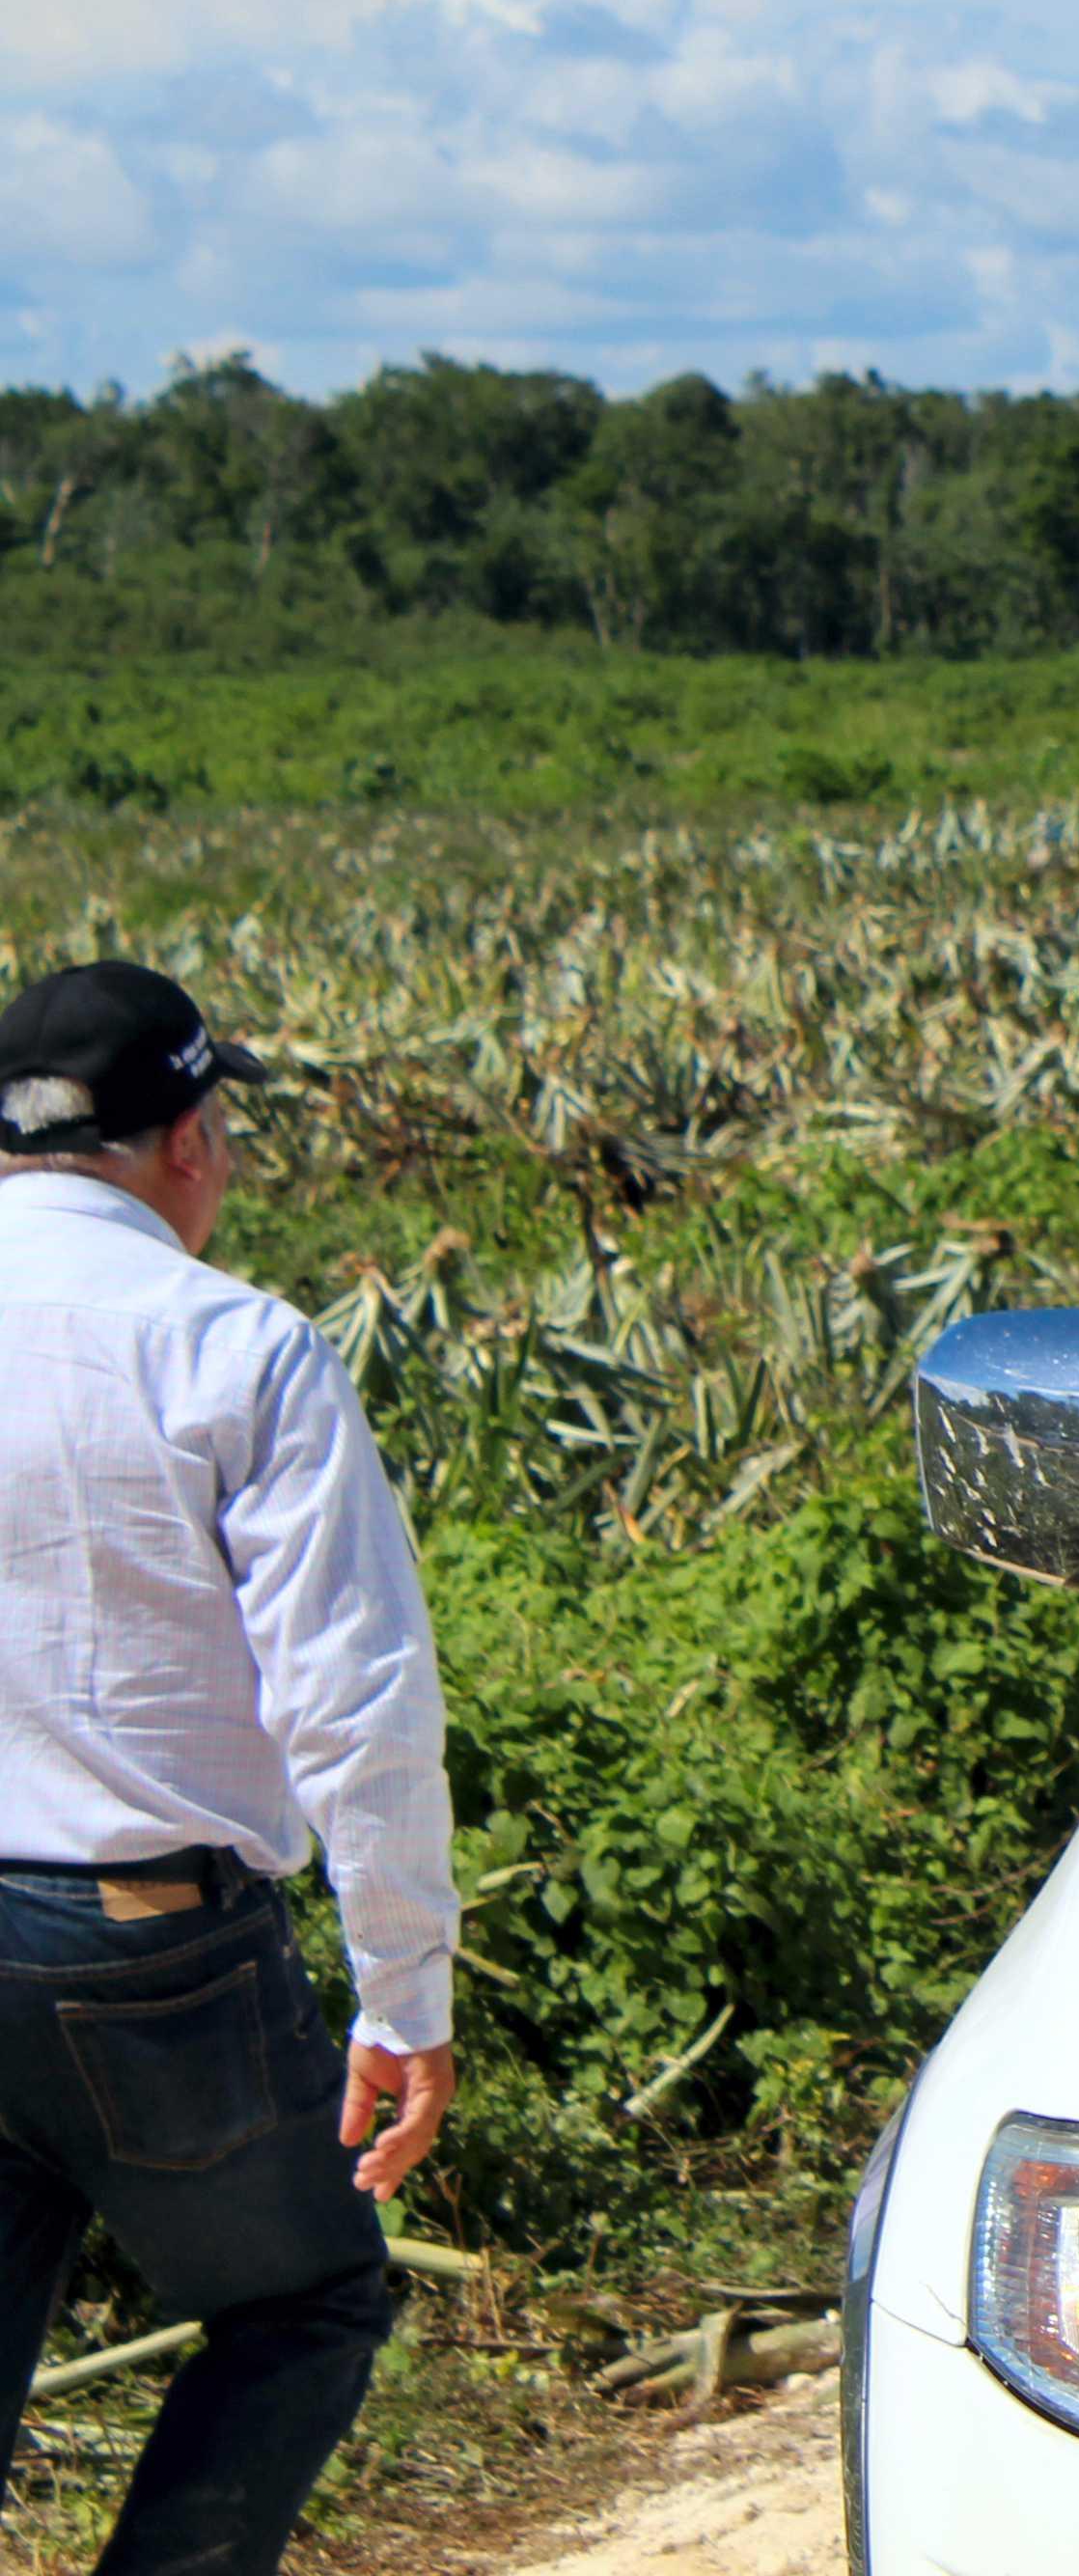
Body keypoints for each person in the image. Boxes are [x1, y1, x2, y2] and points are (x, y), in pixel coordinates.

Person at [4, 963, 456, 2576]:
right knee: (304, 2300)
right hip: (148, 1950)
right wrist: (403, 1993)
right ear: (189, 1139)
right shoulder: (231, 1345)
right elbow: (356, 1701)